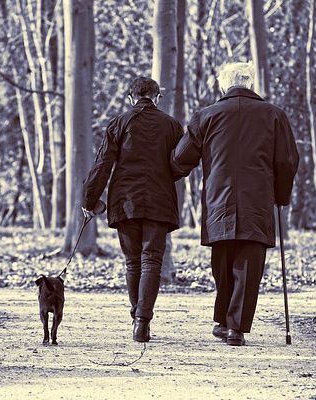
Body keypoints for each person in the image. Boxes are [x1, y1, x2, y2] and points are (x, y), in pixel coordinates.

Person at [171, 62, 299, 346]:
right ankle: (234, 327)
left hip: (220, 199)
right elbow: (287, 161)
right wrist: (281, 195)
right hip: (257, 200)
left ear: (224, 85)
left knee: (223, 261)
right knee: (249, 264)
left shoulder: (206, 116)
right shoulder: (274, 116)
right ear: (251, 83)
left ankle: (225, 322)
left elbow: (181, 158)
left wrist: (169, 171)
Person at [82, 77, 183, 342]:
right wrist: (167, 173)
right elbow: (181, 163)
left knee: (133, 261)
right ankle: (142, 322)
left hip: (125, 200)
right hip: (159, 200)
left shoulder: (119, 123)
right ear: (157, 97)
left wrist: (89, 200)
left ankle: (136, 316)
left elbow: (103, 163)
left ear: (131, 98)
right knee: (152, 260)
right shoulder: (171, 125)